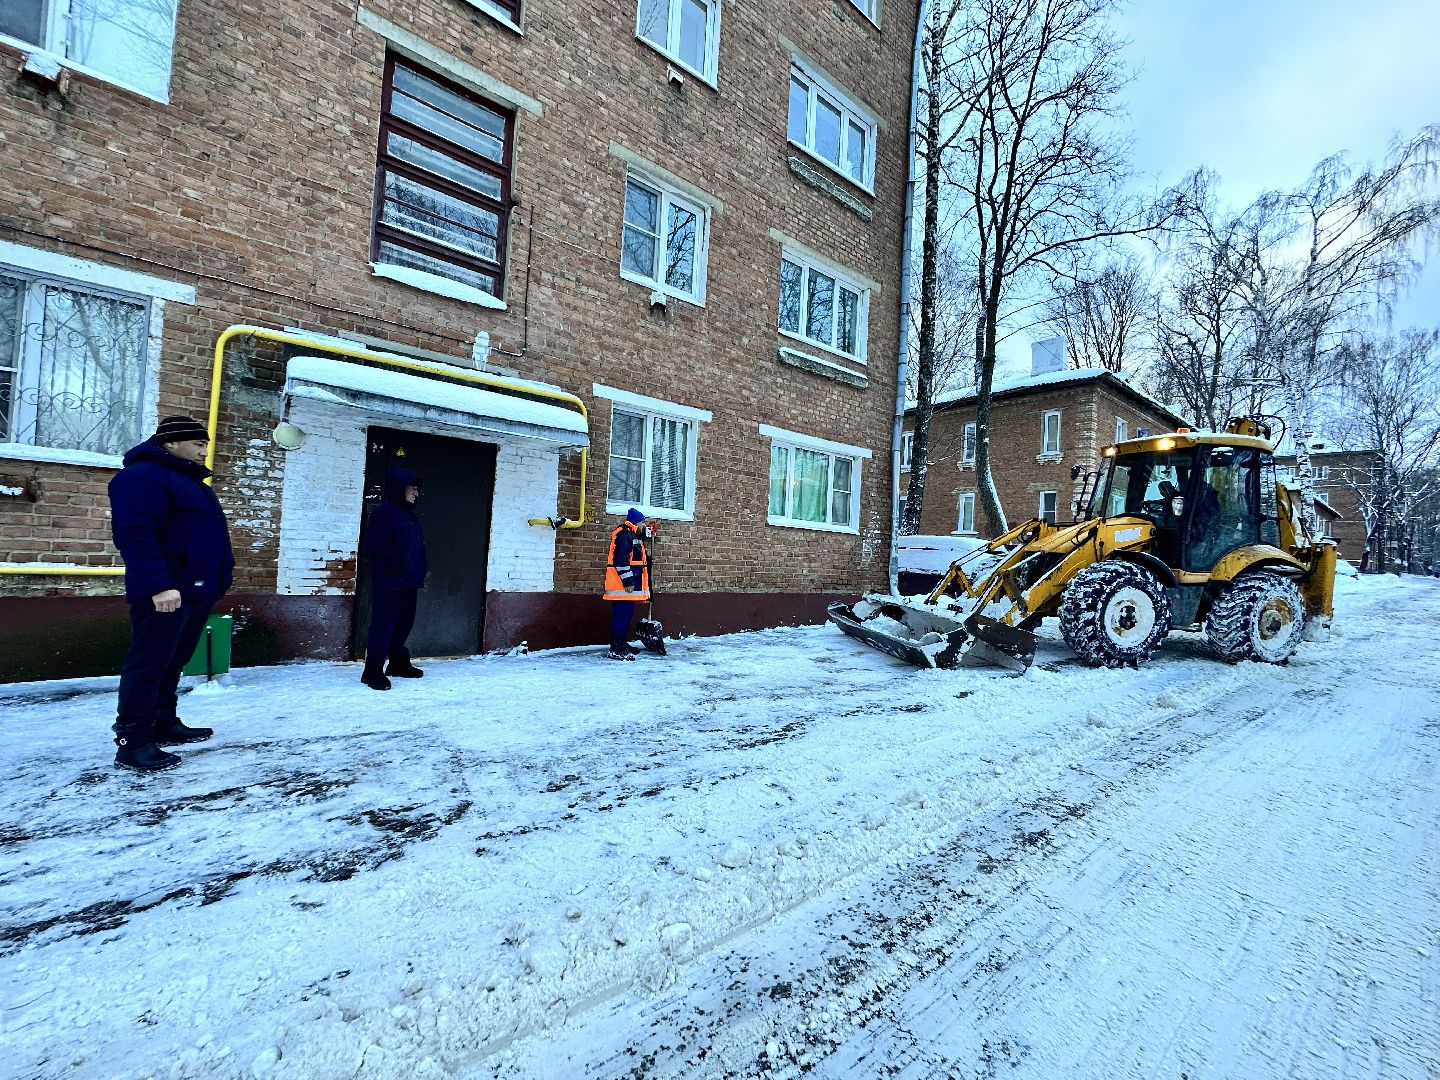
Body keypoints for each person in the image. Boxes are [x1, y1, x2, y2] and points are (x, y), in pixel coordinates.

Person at [108, 415, 234, 772]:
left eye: (205, 444)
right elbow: (135, 535)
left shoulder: (187, 480)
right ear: (171, 442)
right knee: (148, 664)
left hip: (195, 590)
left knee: (173, 661)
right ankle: (132, 741)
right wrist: (159, 585)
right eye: (198, 443)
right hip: (166, 591)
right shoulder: (142, 477)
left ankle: (164, 722)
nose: (204, 450)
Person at [361, 467, 428, 690]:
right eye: (412, 488)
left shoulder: (408, 514)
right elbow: (376, 547)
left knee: (403, 624)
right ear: (399, 488)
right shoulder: (384, 513)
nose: (416, 493)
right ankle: (372, 671)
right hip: (391, 582)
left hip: (409, 582)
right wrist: (397, 567)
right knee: (384, 626)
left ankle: (398, 664)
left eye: (417, 489)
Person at [602, 507, 651, 660]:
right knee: (621, 618)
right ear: (637, 522)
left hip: (625, 588)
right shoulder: (625, 535)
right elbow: (621, 561)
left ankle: (622, 644)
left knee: (625, 617)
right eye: (643, 522)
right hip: (622, 587)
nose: (645, 525)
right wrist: (628, 582)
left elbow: (634, 558)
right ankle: (616, 649)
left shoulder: (632, 535)